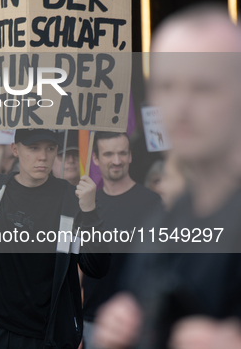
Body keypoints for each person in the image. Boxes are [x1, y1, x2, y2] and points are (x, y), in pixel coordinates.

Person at [93, 4, 241, 349]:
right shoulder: (160, 225)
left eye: (203, 87)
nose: (181, 105)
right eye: (166, 86)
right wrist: (124, 329)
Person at [0, 128, 110, 349]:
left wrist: (90, 212)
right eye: (33, 148)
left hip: (44, 335)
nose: (43, 156)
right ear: (15, 149)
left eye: (50, 148)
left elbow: (97, 268)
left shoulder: (71, 197)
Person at [80, 131, 163, 349]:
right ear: (96, 158)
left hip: (134, 323)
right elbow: (78, 264)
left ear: (130, 156)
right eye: (108, 154)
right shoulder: (89, 202)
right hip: (91, 320)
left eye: (122, 153)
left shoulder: (152, 203)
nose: (116, 161)